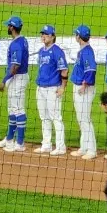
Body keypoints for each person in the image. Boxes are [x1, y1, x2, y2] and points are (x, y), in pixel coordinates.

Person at [34, 25, 68, 156]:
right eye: (42, 34)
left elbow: (64, 70)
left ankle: (60, 146)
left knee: (56, 117)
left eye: (46, 34)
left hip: (53, 88)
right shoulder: (41, 51)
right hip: (41, 88)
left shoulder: (57, 51)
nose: (43, 36)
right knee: (44, 117)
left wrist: (62, 87)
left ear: (53, 36)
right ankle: (46, 144)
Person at [0, 16, 29, 151]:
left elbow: (15, 66)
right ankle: (10, 138)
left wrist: (4, 80)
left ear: (12, 27)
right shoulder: (22, 40)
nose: (7, 28)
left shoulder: (16, 44)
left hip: (18, 77)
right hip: (18, 77)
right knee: (11, 109)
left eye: (8, 26)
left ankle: (20, 143)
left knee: (18, 109)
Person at [70, 25, 99, 160]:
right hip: (80, 87)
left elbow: (91, 69)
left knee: (85, 119)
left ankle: (91, 150)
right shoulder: (83, 50)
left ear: (78, 37)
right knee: (81, 119)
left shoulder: (87, 52)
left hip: (84, 88)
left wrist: (84, 84)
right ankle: (84, 147)